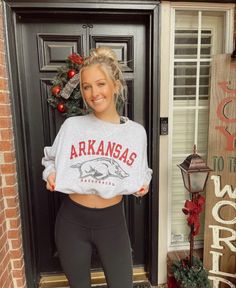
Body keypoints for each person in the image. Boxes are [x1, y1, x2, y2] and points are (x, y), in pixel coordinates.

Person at [42, 47, 152, 288]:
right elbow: (50, 160)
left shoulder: (135, 133)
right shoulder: (72, 126)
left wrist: (143, 184)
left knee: (122, 284)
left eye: (100, 84)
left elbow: (141, 171)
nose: (94, 93)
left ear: (115, 85)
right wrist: (50, 174)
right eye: (86, 86)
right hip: (71, 220)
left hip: (112, 222)